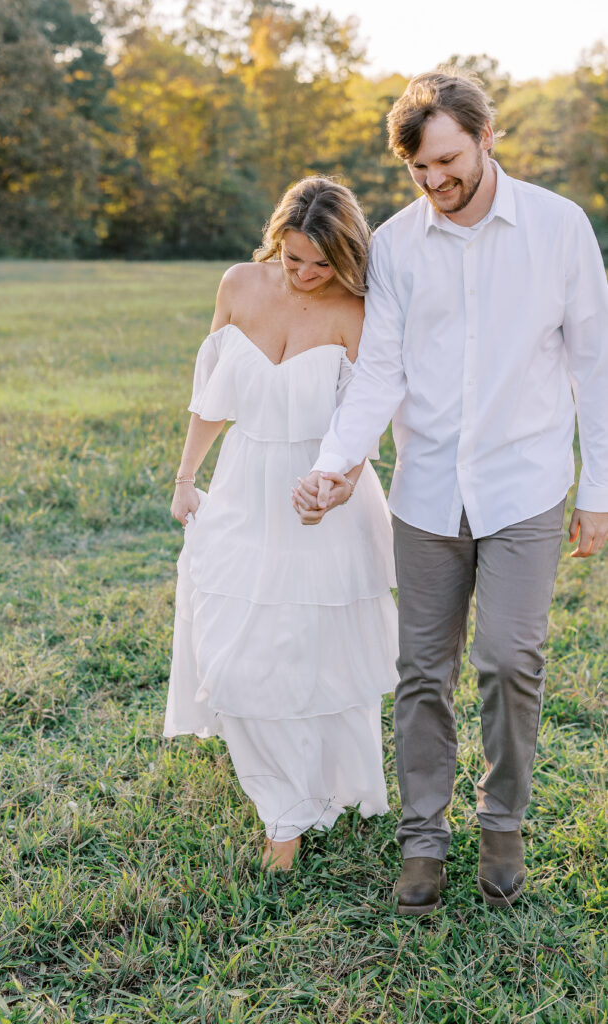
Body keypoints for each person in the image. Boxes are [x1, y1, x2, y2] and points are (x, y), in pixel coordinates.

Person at [293, 70, 608, 913]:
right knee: (421, 673)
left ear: (484, 135)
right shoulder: (396, 245)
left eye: (445, 160)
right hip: (427, 491)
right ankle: (422, 841)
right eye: (417, 170)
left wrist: (599, 491)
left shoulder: (557, 227)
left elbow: (594, 364)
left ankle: (501, 825)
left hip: (526, 486)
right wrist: (335, 461)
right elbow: (379, 374)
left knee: (510, 659)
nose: (434, 182)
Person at [164, 177, 399, 870]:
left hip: (320, 494)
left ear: (346, 255)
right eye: (293, 258)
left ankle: (288, 816)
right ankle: (284, 796)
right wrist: (186, 478)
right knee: (232, 655)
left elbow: (363, 422)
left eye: (320, 264)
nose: (304, 275)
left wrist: (334, 485)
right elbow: (212, 396)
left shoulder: (357, 310)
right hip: (242, 483)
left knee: (309, 657)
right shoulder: (239, 284)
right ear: (278, 240)